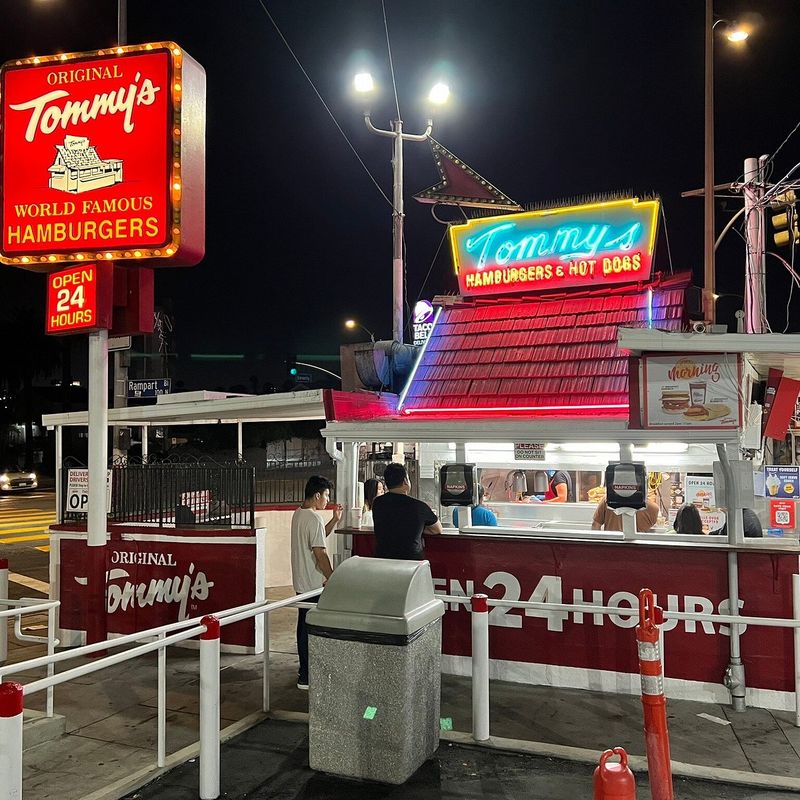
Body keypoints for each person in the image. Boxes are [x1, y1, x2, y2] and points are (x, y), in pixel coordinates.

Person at [290, 475, 342, 690]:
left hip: (301, 582)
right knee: (312, 628)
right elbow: (319, 552)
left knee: (302, 625)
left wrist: (334, 521)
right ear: (317, 494)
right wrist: (331, 576)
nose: (327, 500)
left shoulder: (298, 515)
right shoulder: (313, 518)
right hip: (313, 583)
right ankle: (307, 675)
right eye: (326, 496)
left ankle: (304, 671)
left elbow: (318, 537)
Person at [371, 462, 443, 559]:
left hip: (383, 560)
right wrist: (418, 528)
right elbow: (437, 529)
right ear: (405, 481)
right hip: (411, 563)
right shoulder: (419, 506)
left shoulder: (377, 503)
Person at [591, 497, 659, 532]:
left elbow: (595, 525)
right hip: (638, 550)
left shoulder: (608, 500)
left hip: (611, 547)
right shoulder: (653, 507)